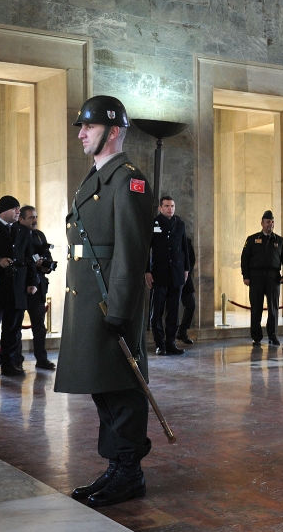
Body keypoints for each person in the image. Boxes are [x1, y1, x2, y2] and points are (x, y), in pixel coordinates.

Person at [55, 95, 155, 508]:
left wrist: (119, 309)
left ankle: (129, 472)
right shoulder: (96, 175)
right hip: (87, 295)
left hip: (111, 298)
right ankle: (115, 466)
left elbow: (131, 252)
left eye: (88, 128)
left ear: (112, 132)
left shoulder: (128, 179)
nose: (80, 134)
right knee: (103, 384)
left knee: (123, 386)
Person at [0, 195, 38, 378]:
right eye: (15, 209)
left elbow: (30, 257)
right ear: (4, 210)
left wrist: (31, 282)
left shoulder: (22, 230)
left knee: (13, 329)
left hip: (17, 286)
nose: (18, 213)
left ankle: (9, 364)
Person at [146, 196, 188, 356]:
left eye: (172, 206)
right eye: (167, 206)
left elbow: (184, 248)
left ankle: (171, 343)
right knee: (157, 311)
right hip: (159, 274)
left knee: (173, 311)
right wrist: (146, 271)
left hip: (176, 274)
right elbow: (146, 250)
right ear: (160, 208)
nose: (170, 209)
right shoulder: (154, 224)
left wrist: (186, 269)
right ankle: (160, 344)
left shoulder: (180, 224)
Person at [19, 205, 57, 370]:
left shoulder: (39, 235)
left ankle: (41, 359)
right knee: (15, 326)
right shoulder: (17, 235)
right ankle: (15, 360)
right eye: (31, 217)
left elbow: (46, 255)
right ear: (21, 219)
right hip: (21, 286)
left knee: (39, 326)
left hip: (39, 285)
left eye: (35, 217)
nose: (34, 220)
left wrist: (45, 266)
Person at [241, 211, 283, 346]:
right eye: (267, 222)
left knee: (273, 308)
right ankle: (256, 336)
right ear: (262, 223)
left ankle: (272, 335)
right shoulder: (252, 239)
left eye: (272, 222)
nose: (270, 225)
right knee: (256, 307)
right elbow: (245, 258)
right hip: (256, 277)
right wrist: (246, 276)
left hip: (273, 277)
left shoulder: (280, 240)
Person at [177, 236, 196, 345]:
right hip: (170, 278)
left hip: (185, 277)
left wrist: (186, 272)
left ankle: (182, 331)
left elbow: (191, 259)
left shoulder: (186, 240)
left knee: (191, 304)